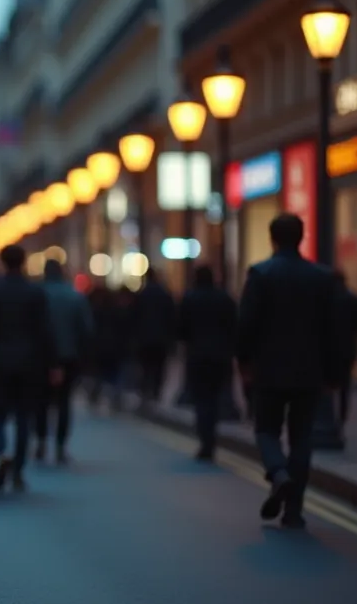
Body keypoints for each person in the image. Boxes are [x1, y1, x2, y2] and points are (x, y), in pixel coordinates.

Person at [237, 214, 338, 529]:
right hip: (309, 371)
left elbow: (246, 325)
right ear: (302, 237)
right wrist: (332, 373)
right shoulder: (322, 278)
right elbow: (332, 331)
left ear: (272, 238)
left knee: (266, 430)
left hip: (269, 369)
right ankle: (293, 511)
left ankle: (278, 473)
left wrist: (244, 363)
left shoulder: (261, 274)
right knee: (301, 437)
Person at [0, 245, 58, 492]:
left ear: (2, 262)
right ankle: (17, 469)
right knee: (22, 417)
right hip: (29, 363)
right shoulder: (34, 292)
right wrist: (53, 364)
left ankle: (0, 451)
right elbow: (45, 331)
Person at [177, 265, 237, 462]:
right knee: (215, 396)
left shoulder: (190, 298)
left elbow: (181, 329)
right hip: (220, 356)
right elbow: (234, 326)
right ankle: (210, 438)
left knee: (202, 399)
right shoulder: (224, 299)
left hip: (197, 356)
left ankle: (206, 440)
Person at [36, 259, 92, 464]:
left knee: (41, 402)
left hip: (40, 358)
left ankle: (41, 441)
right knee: (64, 402)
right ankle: (60, 445)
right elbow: (86, 330)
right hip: (69, 356)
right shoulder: (74, 296)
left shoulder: (37, 294)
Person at [131, 268, 176, 411]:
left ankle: (146, 392)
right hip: (161, 338)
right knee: (159, 367)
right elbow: (171, 317)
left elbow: (134, 317)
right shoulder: (164, 294)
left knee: (146, 367)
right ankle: (156, 392)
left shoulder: (142, 295)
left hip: (144, 338)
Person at [331, 270, 357, 424]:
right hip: (348, 349)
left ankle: (334, 417)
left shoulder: (328, 300)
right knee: (345, 385)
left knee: (328, 384)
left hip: (329, 349)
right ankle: (342, 417)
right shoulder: (355, 300)